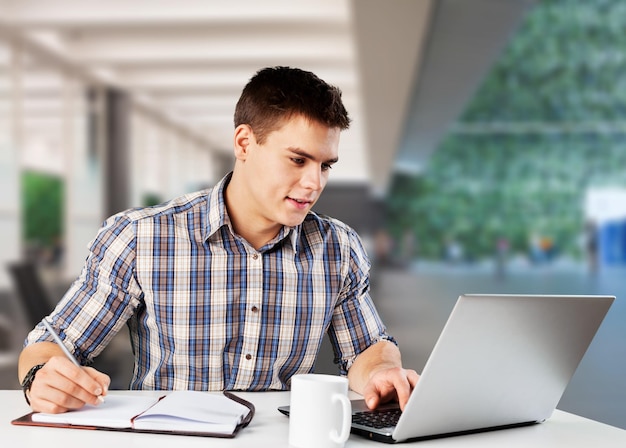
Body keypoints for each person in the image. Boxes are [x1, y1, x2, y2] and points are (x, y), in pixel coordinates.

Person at [18, 66, 419, 414]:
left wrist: (383, 373)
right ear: (244, 143)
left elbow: (368, 348)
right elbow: (51, 346)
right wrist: (42, 377)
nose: (314, 183)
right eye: (298, 160)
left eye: (325, 165)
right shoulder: (141, 236)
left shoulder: (337, 248)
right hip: (166, 447)